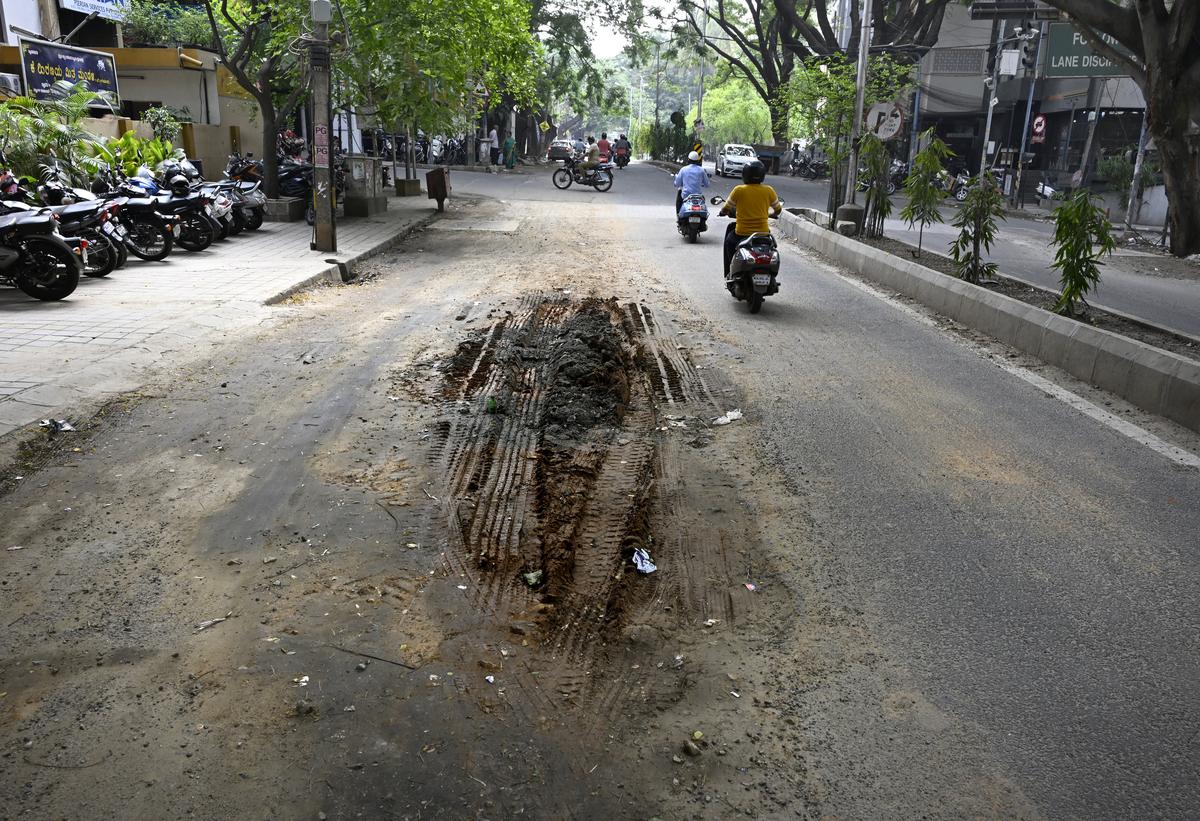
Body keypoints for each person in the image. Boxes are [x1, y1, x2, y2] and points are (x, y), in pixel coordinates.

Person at [719, 160, 781, 276]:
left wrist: (723, 212)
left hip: (741, 233)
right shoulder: (769, 190)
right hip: (763, 234)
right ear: (762, 176)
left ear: (744, 175)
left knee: (729, 243)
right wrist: (771, 214)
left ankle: (730, 273)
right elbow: (778, 209)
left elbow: (726, 207)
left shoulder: (739, 190)